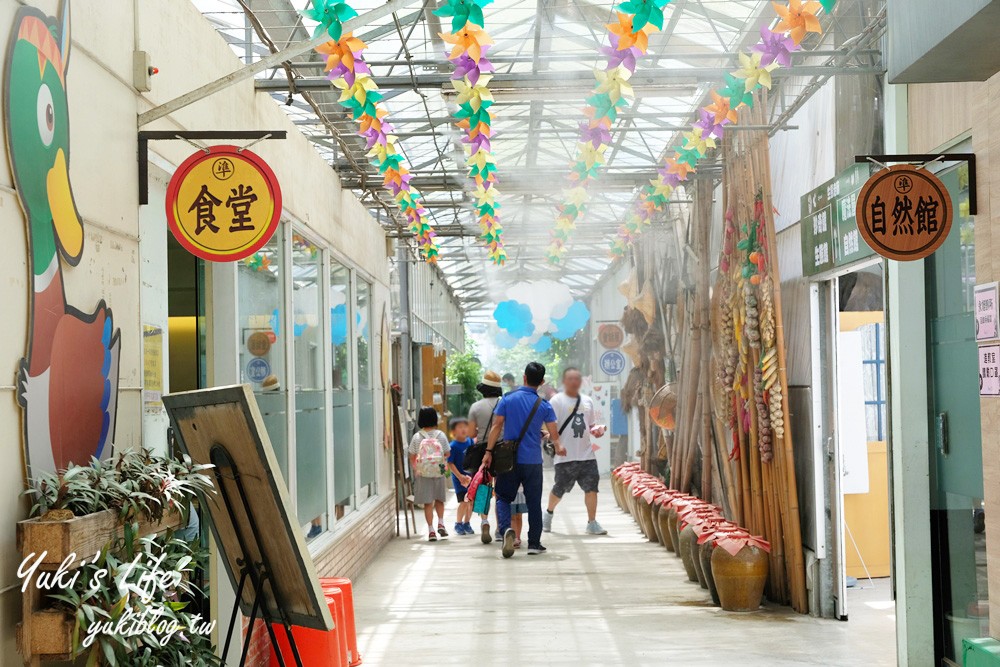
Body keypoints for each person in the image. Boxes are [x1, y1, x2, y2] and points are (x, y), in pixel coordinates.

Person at [483, 362, 565, 558]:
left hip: (508, 460)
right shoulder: (543, 405)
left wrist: (488, 451)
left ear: (524, 378)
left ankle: (506, 531)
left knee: (503, 497)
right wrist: (559, 446)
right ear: (542, 382)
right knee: (534, 502)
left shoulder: (508, 399)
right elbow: (554, 432)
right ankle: (534, 543)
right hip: (532, 461)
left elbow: (496, 426)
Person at [543, 368, 609, 536]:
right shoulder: (556, 401)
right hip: (565, 456)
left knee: (592, 488)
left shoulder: (587, 401)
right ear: (564, 381)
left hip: (587, 455)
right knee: (560, 489)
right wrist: (556, 443)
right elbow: (548, 426)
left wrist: (597, 430)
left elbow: (591, 424)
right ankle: (549, 513)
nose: (574, 382)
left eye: (577, 379)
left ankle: (592, 522)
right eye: (570, 378)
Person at [468, 370, 504, 544]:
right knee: (500, 490)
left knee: (483, 486)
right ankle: (499, 529)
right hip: (502, 450)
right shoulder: (504, 404)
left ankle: (484, 521)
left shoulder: (476, 407)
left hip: (483, 449)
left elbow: (470, 432)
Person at [408, 407, 450, 541]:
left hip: (423, 473)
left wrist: (417, 469)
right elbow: (447, 453)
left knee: (428, 502)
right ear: (434, 419)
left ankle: (431, 530)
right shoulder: (441, 435)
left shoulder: (417, 436)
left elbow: (412, 455)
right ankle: (441, 523)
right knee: (439, 500)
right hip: (439, 472)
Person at [447, 417, 475, 536]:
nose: (463, 429)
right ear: (453, 432)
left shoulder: (470, 442)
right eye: (460, 427)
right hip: (459, 478)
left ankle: (467, 523)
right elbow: (450, 463)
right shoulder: (452, 446)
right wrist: (459, 477)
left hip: (471, 477)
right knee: (463, 502)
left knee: (471, 501)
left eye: (465, 426)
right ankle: (458, 523)